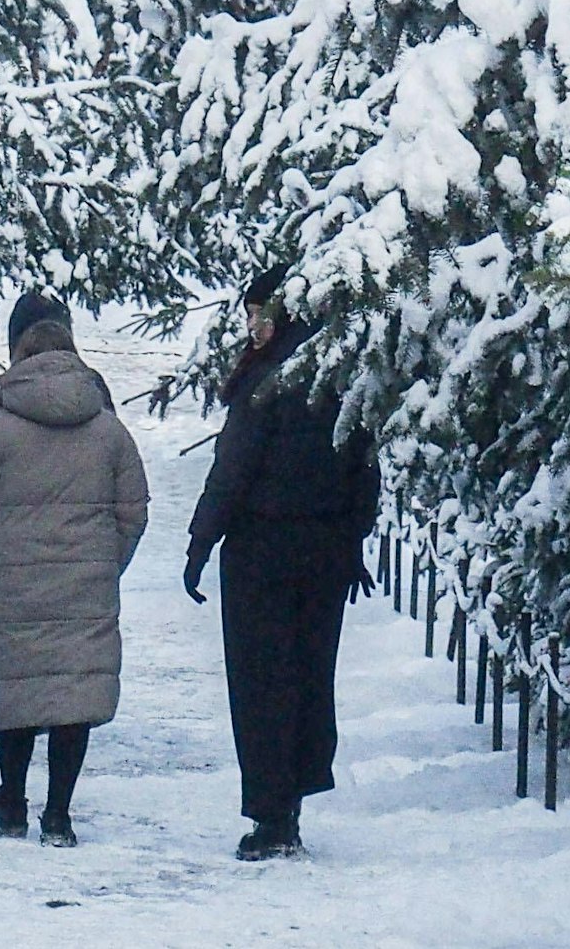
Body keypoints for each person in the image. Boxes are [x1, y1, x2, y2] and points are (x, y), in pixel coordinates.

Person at [183, 264, 379, 861]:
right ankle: (290, 799)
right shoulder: (339, 378)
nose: (250, 324)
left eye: (257, 311)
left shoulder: (265, 380)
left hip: (260, 556)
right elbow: (363, 470)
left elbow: (233, 469)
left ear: (280, 313)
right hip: (322, 556)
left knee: (262, 683)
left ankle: (272, 816)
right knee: (309, 678)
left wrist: (201, 542)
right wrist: (352, 543)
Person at [0, 316, 149, 847]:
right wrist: (107, 563)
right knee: (72, 695)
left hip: (8, 584)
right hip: (86, 584)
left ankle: (11, 801)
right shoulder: (109, 431)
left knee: (16, 690)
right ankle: (58, 813)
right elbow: (134, 510)